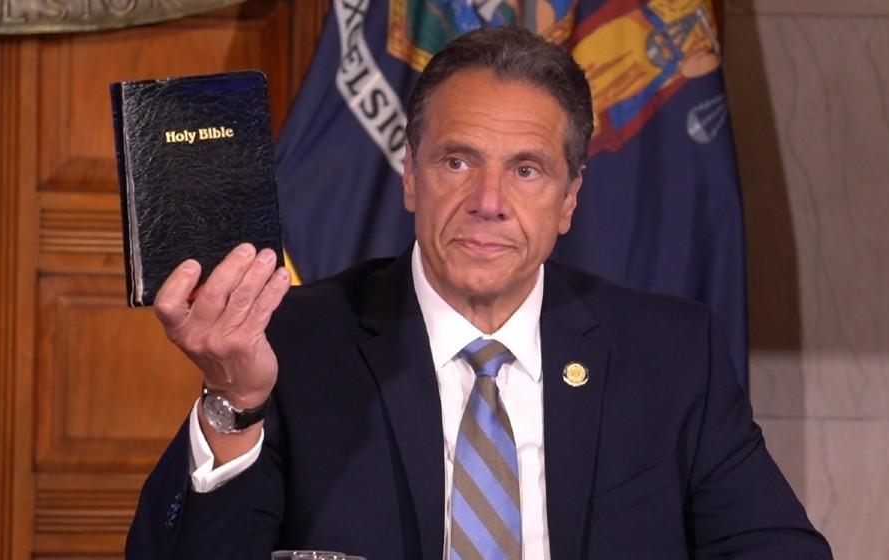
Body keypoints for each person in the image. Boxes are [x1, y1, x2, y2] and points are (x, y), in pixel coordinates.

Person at [127, 26, 831, 560]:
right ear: (410, 176)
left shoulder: (672, 356)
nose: (487, 202)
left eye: (526, 170)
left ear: (569, 199)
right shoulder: (295, 343)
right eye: (457, 161)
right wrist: (233, 402)